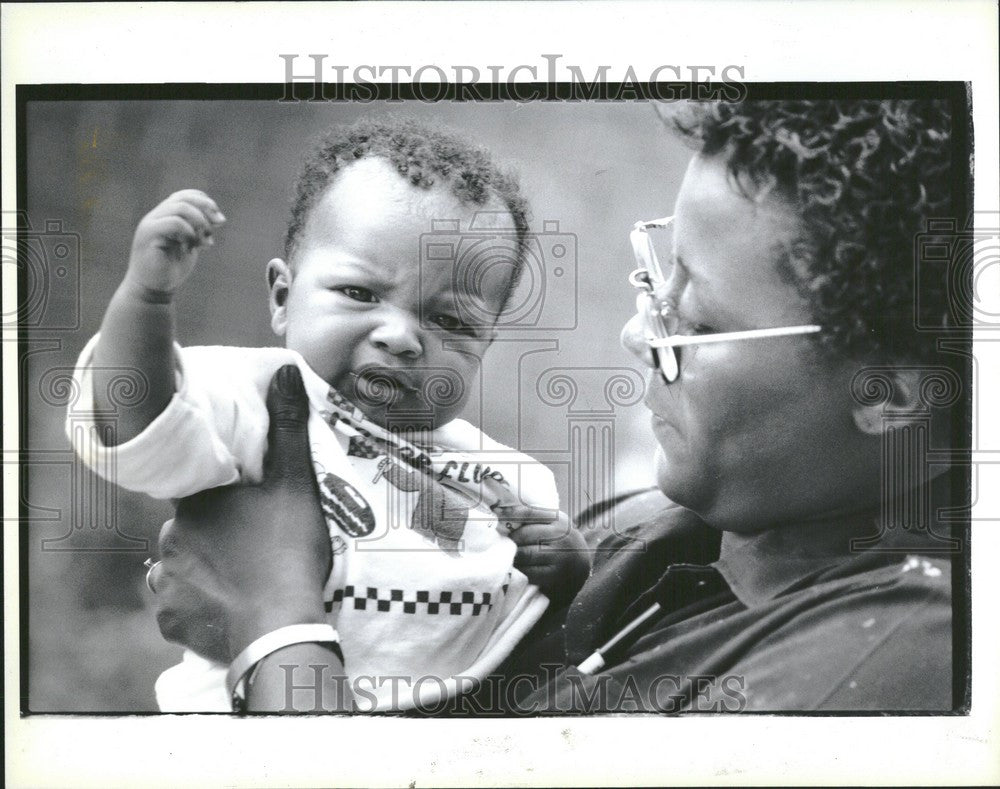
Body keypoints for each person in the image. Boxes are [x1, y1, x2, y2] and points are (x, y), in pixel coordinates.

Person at [149, 99, 962, 713]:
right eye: (657, 277)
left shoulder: (887, 667)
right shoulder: (670, 526)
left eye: (698, 321)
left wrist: (276, 621)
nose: (638, 335)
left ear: (885, 393)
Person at [66, 117, 590, 712]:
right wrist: (146, 299)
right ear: (283, 297)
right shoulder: (263, 400)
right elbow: (137, 418)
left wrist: (565, 567)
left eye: (450, 322)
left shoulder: (495, 473)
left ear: (485, 346)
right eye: (360, 294)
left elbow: (523, 617)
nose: (399, 337)